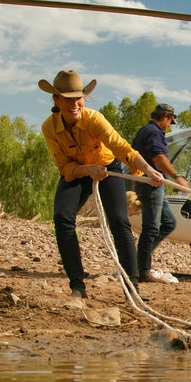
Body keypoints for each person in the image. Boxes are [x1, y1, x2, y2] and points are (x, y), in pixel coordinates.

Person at [39, 70, 164, 300]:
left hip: (107, 168)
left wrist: (148, 170)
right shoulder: (49, 128)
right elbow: (64, 167)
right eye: (68, 98)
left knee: (119, 221)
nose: (75, 103)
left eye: (79, 97)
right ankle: (77, 286)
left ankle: (132, 288)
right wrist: (87, 171)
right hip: (77, 173)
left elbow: (122, 147)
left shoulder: (94, 119)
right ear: (56, 100)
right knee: (62, 218)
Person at [132, 104, 188, 284]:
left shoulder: (144, 131)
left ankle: (138, 262)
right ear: (165, 116)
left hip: (152, 184)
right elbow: (158, 157)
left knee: (168, 223)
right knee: (151, 227)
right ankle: (142, 270)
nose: (170, 124)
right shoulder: (154, 132)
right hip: (151, 184)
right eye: (170, 120)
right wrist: (177, 176)